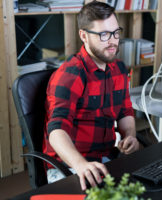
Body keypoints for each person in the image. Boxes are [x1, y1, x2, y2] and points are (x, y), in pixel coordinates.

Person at [43, 1, 140, 190]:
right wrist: (80, 164)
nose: (113, 41)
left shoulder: (119, 69)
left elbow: (125, 112)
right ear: (84, 36)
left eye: (115, 32)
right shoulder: (70, 74)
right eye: (104, 35)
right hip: (69, 166)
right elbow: (56, 131)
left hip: (106, 158)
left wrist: (130, 136)